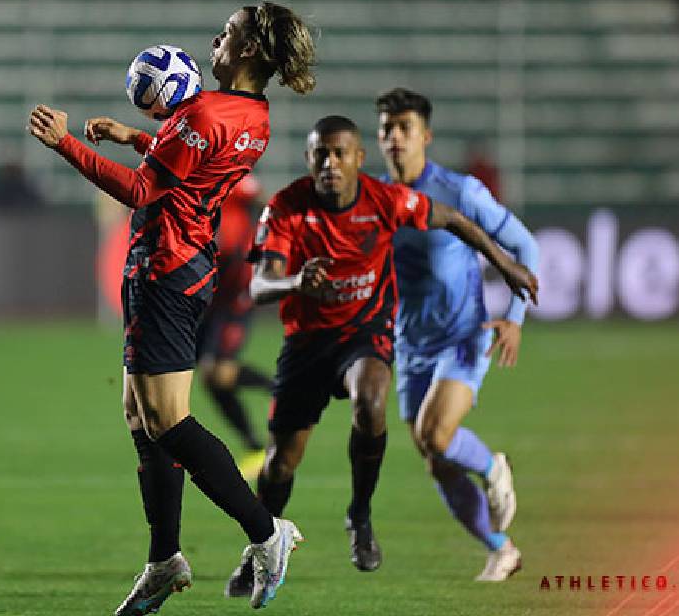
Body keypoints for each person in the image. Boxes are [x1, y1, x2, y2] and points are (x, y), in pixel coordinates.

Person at [28, 2, 316, 615]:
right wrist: (135, 136)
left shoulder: (207, 111)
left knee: (168, 421)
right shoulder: (251, 116)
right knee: (139, 414)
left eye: (229, 33)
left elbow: (140, 189)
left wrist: (66, 145)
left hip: (167, 270)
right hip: (174, 267)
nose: (217, 38)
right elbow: (187, 165)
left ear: (248, 51)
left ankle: (267, 533)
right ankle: (164, 559)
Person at [224, 115, 537, 597]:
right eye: (320, 154)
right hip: (307, 342)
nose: (329, 162)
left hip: (363, 333)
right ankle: (260, 547)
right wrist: (295, 281)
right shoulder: (287, 207)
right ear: (308, 159)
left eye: (339, 153)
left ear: (358, 159)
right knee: (280, 464)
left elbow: (452, 217)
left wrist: (504, 262)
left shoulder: (384, 199)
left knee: (371, 399)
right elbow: (259, 283)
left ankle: (360, 515)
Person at [376, 87, 540, 581]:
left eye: (405, 127)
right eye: (386, 128)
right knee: (436, 458)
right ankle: (501, 549)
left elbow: (523, 246)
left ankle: (492, 466)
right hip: (412, 345)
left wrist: (514, 316)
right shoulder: (377, 198)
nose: (395, 137)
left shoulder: (458, 191)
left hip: (463, 336)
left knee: (437, 434)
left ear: (425, 135)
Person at [195, 174, 272, 479]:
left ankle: (282, 389)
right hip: (211, 295)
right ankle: (255, 447)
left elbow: (266, 204)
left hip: (235, 292)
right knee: (210, 379)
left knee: (219, 372)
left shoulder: (233, 179)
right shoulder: (189, 179)